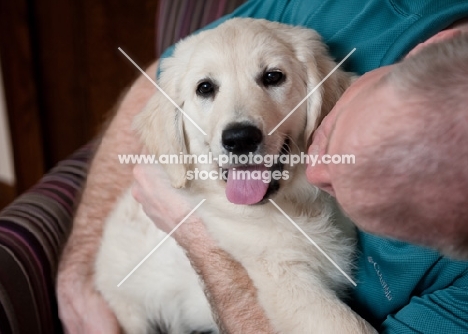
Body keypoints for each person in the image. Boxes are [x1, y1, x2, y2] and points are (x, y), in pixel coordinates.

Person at [57, 1, 468, 333]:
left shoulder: (458, 295)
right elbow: (158, 81)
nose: (322, 173)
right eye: (206, 89)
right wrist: (77, 276)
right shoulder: (347, 10)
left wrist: (195, 234)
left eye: (272, 77)